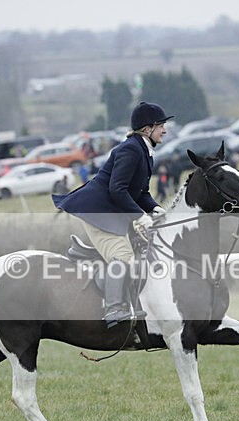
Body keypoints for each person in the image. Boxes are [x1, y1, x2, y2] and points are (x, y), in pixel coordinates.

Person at [53, 101, 173, 327]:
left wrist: (155, 208)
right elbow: (117, 189)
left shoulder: (145, 151)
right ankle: (113, 309)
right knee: (123, 258)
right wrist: (139, 217)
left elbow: (140, 192)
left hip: (113, 212)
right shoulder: (131, 149)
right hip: (99, 212)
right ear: (147, 129)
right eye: (161, 126)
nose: (165, 130)